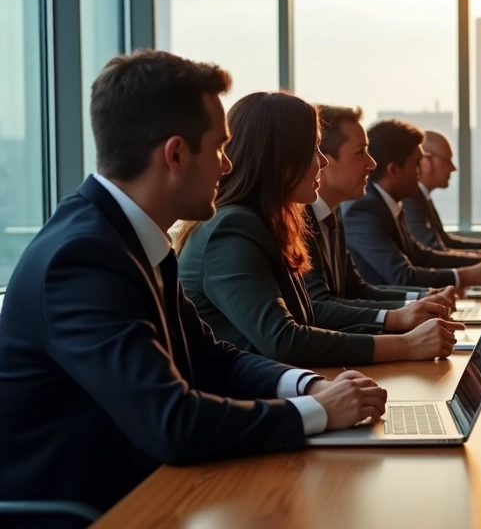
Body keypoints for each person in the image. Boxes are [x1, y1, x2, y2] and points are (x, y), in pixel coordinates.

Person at [0, 50, 385, 518]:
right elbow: (172, 421)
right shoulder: (83, 258)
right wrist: (319, 413)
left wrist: (310, 387)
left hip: (149, 490)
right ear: (176, 154)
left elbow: (211, 358)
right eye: (220, 148)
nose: (227, 166)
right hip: (97, 511)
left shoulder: (128, 237)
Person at [177, 93, 464, 368]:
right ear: (280, 158)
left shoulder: (270, 222)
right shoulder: (232, 228)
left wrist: (401, 328)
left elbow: (309, 321)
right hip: (248, 395)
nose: (323, 161)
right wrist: (406, 345)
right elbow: (284, 340)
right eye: (314, 149)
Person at [305, 105, 458, 318]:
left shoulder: (333, 214)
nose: (372, 163)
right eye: (360, 153)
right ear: (323, 161)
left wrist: (423, 298)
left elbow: (355, 289)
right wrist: (397, 317)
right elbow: (318, 307)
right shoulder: (301, 221)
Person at [344, 119, 481, 290]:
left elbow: (421, 256)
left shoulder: (387, 203)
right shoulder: (362, 211)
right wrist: (464, 276)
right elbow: (402, 276)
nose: (421, 172)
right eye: (416, 165)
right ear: (393, 170)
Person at [403, 130, 481, 261]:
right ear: (425, 162)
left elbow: (445, 241)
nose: (453, 168)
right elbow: (434, 250)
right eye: (447, 160)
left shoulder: (422, 197)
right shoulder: (411, 201)